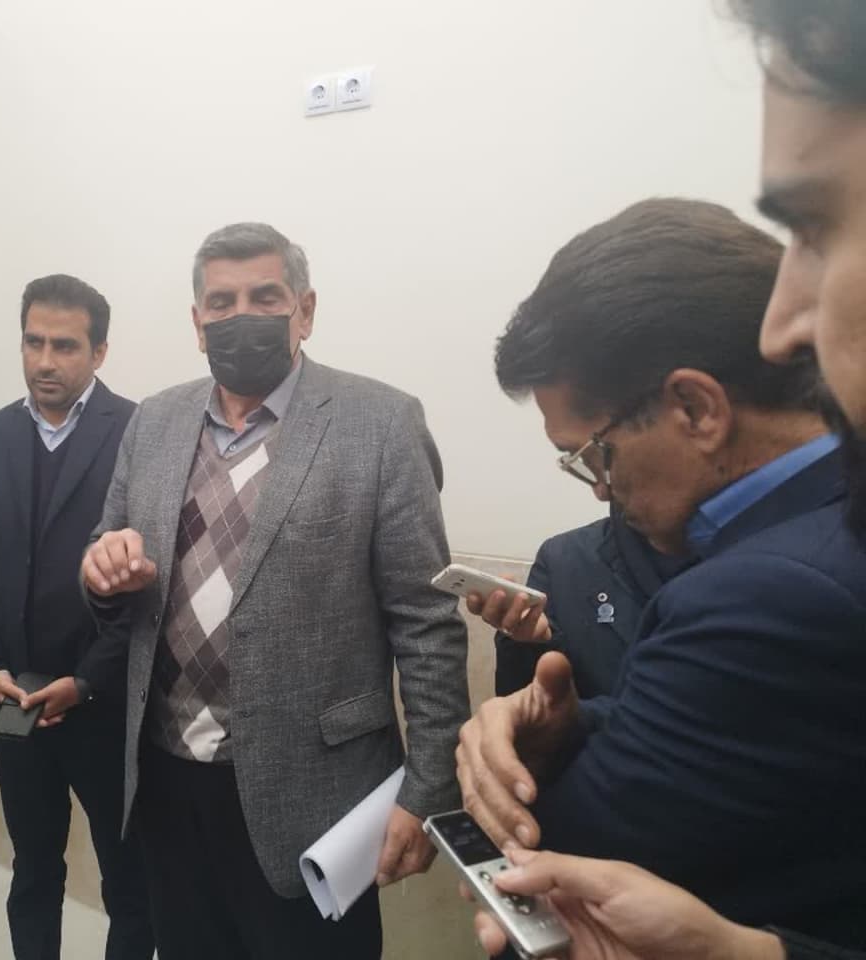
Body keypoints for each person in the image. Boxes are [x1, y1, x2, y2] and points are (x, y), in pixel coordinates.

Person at [472, 6, 866, 960]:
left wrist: (522, 762)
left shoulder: (765, 591)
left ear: (694, 408)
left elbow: (561, 854)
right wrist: (578, 726)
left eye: (596, 455)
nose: (788, 320)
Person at [81, 222, 469, 960]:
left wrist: (429, 788)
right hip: (166, 780)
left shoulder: (381, 423)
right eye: (220, 302)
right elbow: (108, 555)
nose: (241, 316)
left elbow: (427, 620)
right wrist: (101, 570)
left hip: (316, 793)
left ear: (305, 310)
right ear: (197, 322)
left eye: (265, 297)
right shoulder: (154, 421)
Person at [0, 275, 152, 960]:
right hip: (15, 698)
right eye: (33, 342)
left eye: (65, 346)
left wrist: (89, 680)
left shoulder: (138, 431)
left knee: (130, 878)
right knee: (33, 868)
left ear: (99, 352)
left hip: (106, 704)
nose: (45, 361)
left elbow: (151, 584)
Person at [482, 507, 686, 699]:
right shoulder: (562, 558)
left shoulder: (705, 568)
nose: (601, 492)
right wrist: (530, 642)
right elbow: (518, 704)